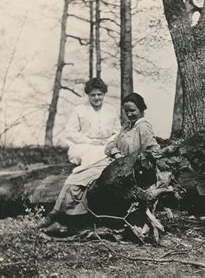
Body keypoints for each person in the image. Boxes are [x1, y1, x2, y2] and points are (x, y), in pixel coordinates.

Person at [40, 93, 160, 233]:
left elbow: (154, 151)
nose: (129, 114)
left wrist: (134, 159)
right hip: (114, 162)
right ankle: (57, 214)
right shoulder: (127, 126)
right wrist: (117, 154)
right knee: (78, 176)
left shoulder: (143, 127)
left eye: (132, 110)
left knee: (85, 180)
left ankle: (68, 221)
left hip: (129, 170)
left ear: (141, 109)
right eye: (126, 111)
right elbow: (110, 145)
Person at [65, 78, 120, 172]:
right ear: (88, 95)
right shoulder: (79, 110)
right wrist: (90, 141)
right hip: (84, 145)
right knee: (91, 154)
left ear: (104, 94)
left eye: (99, 94)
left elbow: (118, 132)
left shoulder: (111, 110)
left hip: (106, 145)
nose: (96, 98)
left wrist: (108, 141)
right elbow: (71, 132)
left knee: (111, 153)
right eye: (93, 95)